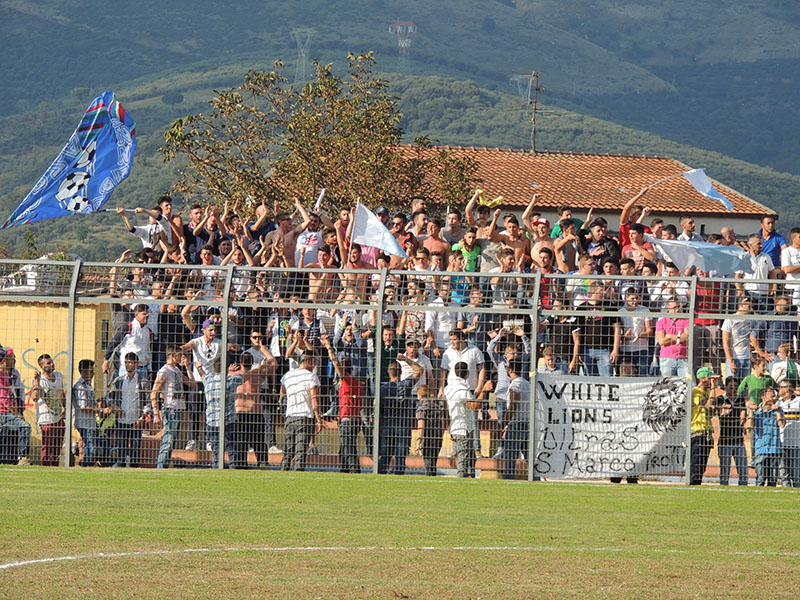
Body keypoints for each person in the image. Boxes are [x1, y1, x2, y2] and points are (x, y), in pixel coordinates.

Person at [322, 335, 365, 474]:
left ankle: (354, 470)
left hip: (347, 419)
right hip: (356, 419)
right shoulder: (359, 384)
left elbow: (334, 361)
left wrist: (329, 347)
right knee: (345, 446)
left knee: (348, 446)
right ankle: (345, 469)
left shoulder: (344, 380)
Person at [151, 347, 196, 469]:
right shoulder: (164, 371)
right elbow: (154, 392)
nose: (181, 357)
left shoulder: (177, 370)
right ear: (171, 355)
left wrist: (187, 367)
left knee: (172, 442)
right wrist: (156, 413)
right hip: (170, 409)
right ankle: (160, 468)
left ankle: (164, 467)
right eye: (179, 355)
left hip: (178, 409)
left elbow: (193, 383)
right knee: (168, 441)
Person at [378, 357, 422, 475]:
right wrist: (406, 359)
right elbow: (419, 370)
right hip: (403, 426)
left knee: (385, 457)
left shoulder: (383, 388)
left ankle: (379, 479)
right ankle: (398, 478)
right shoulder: (405, 385)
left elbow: (377, 407)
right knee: (400, 458)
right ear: (401, 372)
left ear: (388, 372)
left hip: (388, 426)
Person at [280, 352, 321, 471]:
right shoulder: (311, 376)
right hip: (305, 416)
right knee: (300, 452)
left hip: (290, 416)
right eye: (314, 361)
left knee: (288, 451)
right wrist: (318, 418)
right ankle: (297, 476)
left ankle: (282, 474)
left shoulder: (287, 375)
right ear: (308, 362)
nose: (316, 364)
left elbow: (282, 393)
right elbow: (314, 400)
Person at [107, 353, 148, 468]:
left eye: (130, 362)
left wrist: (142, 418)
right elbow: (109, 398)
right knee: (121, 454)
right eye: (125, 362)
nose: (127, 365)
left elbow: (148, 402)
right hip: (121, 421)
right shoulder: (118, 381)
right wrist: (115, 407)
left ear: (136, 364)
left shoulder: (142, 381)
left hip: (136, 422)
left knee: (135, 455)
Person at [444, 361, 480, 478]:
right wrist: (484, 391)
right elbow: (474, 407)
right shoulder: (462, 390)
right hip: (463, 428)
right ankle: (460, 483)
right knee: (463, 459)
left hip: (457, 425)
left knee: (470, 458)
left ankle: (469, 480)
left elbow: (446, 408)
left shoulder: (449, 388)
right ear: (467, 374)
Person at [103, 303, 153, 380]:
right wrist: (106, 360)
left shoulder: (148, 331)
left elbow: (149, 351)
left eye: (148, 314)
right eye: (144, 314)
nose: (147, 316)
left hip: (143, 368)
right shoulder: (128, 328)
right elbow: (114, 343)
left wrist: (150, 369)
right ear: (137, 315)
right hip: (127, 368)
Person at [498, 358, 530, 480]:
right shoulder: (527, 384)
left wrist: (503, 424)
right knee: (529, 457)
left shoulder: (515, 385)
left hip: (516, 424)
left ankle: (509, 480)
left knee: (510, 456)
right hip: (528, 423)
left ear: (510, 369)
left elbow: (512, 406)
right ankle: (536, 479)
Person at [748, 387, 786, 486]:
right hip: (761, 450)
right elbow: (749, 427)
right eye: (771, 395)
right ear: (763, 397)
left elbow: (782, 424)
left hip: (775, 449)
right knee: (760, 478)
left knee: (773, 480)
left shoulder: (778, 410)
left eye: (774, 395)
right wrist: (751, 412)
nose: (774, 397)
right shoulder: (757, 412)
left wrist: (777, 411)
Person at [0, 346, 31, 465]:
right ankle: (23, 456)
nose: (14, 360)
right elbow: (5, 400)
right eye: (11, 358)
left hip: (8, 412)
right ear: (4, 360)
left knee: (7, 441)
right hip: (3, 413)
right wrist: (18, 414)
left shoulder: (9, 375)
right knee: (25, 427)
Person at [715, 377, 749, 486]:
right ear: (725, 388)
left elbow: (743, 415)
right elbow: (717, 412)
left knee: (743, 471)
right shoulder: (720, 399)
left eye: (735, 387)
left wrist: (743, 421)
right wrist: (722, 412)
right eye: (731, 387)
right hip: (725, 441)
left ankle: (743, 492)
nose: (733, 390)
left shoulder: (740, 399)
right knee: (725, 472)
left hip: (739, 440)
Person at [690, 367, 718, 485]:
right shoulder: (695, 392)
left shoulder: (708, 393)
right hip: (697, 431)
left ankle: (697, 484)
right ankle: (692, 483)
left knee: (702, 465)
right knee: (695, 463)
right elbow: (706, 406)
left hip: (707, 432)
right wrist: (713, 388)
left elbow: (711, 411)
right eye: (709, 377)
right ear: (702, 378)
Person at [73, 359, 100, 467]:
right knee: (91, 448)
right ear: (83, 372)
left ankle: (85, 467)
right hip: (84, 423)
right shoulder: (80, 387)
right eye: (91, 371)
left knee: (90, 449)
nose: (93, 373)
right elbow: (83, 407)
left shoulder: (88, 385)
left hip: (90, 422)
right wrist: (99, 410)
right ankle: (84, 466)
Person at [413, 384, 445, 476]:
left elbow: (421, 426)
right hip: (437, 438)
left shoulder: (421, 409)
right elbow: (442, 424)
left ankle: (430, 479)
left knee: (428, 464)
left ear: (419, 396)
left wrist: (418, 443)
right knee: (434, 463)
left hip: (427, 439)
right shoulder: (437, 407)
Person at [655, 297, 689, 377]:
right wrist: (680, 338)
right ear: (668, 308)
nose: (677, 310)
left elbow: (687, 337)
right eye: (674, 308)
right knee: (667, 386)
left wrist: (669, 336)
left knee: (689, 383)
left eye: (678, 307)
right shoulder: (661, 322)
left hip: (683, 358)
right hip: (666, 358)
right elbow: (661, 342)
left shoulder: (686, 320)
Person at [776, 380, 800, 487]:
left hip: (796, 443)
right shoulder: (778, 403)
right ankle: (786, 494)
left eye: (780, 387)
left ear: (786, 389)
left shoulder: (798, 401)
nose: (778, 389)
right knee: (783, 474)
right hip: (781, 442)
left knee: (796, 475)